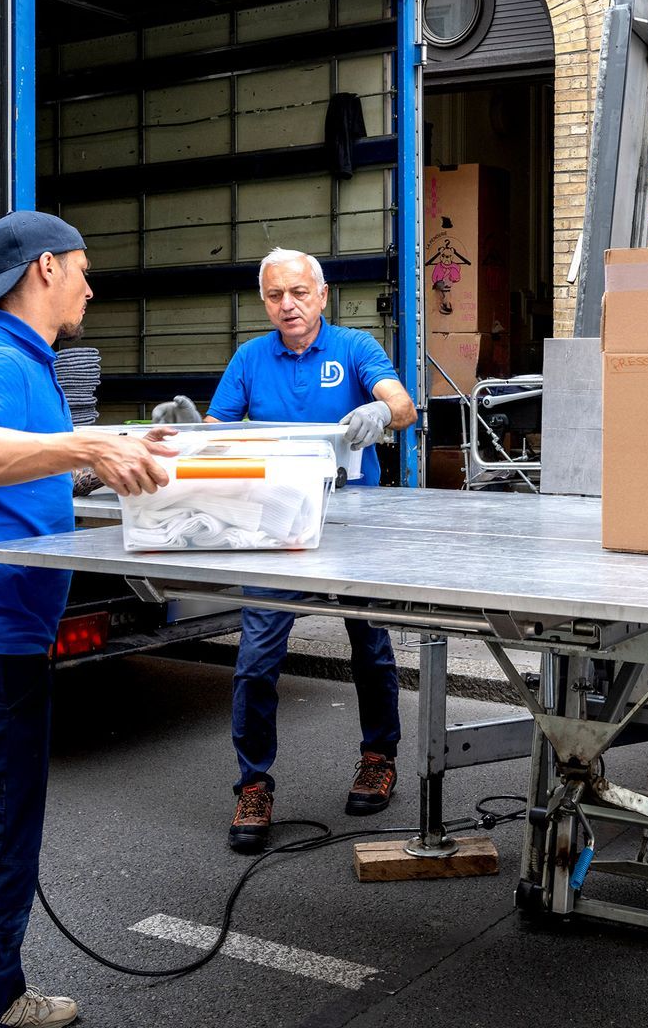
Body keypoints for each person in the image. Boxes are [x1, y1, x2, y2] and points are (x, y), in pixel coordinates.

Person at [0, 210, 177, 1028]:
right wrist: (88, 448)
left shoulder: (29, 363)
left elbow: (24, 472)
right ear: (44, 270)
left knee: (5, 842)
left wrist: (116, 451)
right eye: (82, 268)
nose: (90, 285)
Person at [188, 247, 415, 852]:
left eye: (298, 293)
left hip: (350, 518)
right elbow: (217, 434)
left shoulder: (355, 349)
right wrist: (186, 432)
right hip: (276, 523)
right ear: (264, 301)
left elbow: (403, 406)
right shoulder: (249, 358)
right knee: (257, 658)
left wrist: (380, 412)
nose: (287, 305)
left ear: (321, 295)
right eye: (274, 296)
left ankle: (378, 756)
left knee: (370, 644)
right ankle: (253, 785)